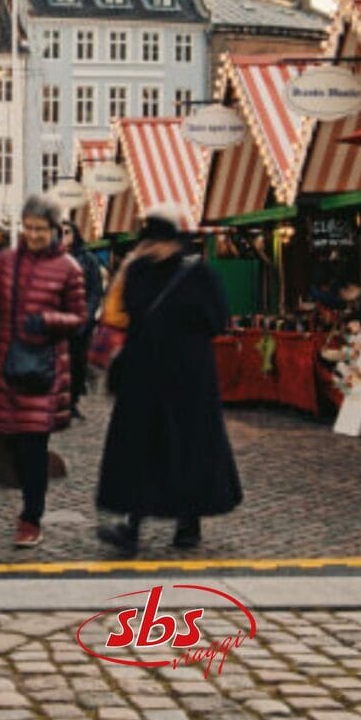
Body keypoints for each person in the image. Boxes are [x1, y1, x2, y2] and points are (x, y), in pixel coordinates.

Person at [96, 205, 243, 554]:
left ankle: (188, 523)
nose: (151, 249)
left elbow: (217, 320)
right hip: (146, 376)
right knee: (140, 450)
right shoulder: (139, 272)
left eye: (155, 242)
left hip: (186, 379)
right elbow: (122, 315)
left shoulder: (198, 274)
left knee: (185, 448)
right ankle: (132, 525)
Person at [0, 195, 86, 547]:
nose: (32, 235)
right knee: (10, 439)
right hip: (6, 367)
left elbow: (79, 319)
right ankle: (29, 504)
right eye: (27, 228)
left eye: (39, 229)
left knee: (33, 444)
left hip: (43, 370)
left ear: (55, 230)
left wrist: (47, 320)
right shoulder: (5, 263)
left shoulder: (69, 269)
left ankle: (31, 517)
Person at [61, 221, 103, 419]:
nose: (63, 236)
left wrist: (87, 314)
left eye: (67, 232)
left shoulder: (88, 259)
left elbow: (95, 290)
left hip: (80, 321)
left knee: (77, 362)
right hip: (58, 320)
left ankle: (73, 401)